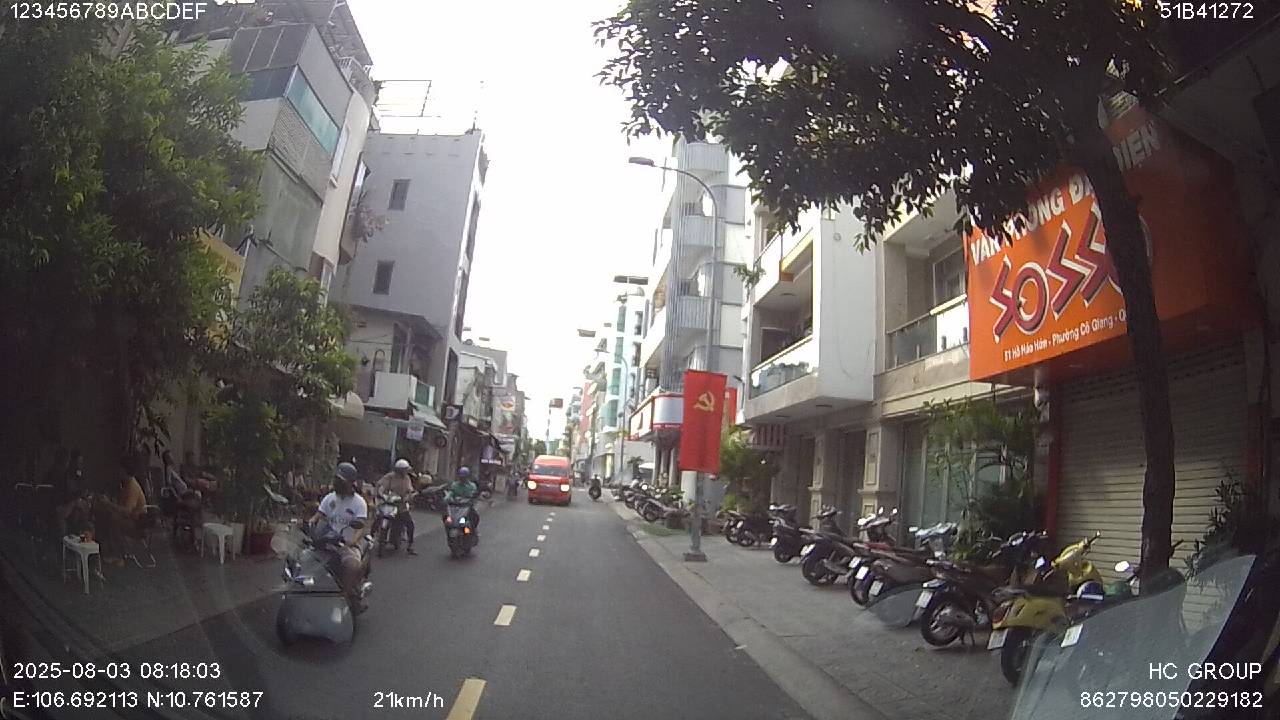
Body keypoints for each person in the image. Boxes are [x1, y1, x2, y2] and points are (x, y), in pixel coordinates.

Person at [310, 462, 369, 611]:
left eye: (341, 480)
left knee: (352, 566)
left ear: (351, 483)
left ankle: (345, 597)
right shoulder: (329, 498)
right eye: (337, 479)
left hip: (346, 544)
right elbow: (319, 515)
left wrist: (352, 541)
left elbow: (361, 526)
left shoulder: (359, 502)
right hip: (326, 541)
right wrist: (309, 523)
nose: (337, 483)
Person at [93, 456, 148, 566]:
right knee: (104, 515)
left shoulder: (132, 487)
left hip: (138, 523)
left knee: (113, 520)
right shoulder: (125, 484)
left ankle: (119, 556)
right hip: (130, 519)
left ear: (125, 471)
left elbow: (127, 512)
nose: (118, 472)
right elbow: (120, 505)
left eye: (120, 470)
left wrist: (109, 503)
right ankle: (103, 548)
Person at [375, 459, 417, 555]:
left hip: (401, 506)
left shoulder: (407, 478)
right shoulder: (389, 476)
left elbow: (410, 491)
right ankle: (371, 537)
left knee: (410, 524)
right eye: (403, 470)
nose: (404, 472)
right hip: (388, 504)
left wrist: (408, 497)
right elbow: (380, 485)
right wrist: (380, 493)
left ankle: (410, 545)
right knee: (378, 519)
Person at [445, 466, 480, 537]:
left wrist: (472, 496)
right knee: (446, 517)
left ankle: (473, 530)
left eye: (464, 477)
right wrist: (447, 498)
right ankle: (448, 531)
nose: (462, 479)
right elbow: (451, 493)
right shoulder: (455, 485)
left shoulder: (472, 486)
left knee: (475, 516)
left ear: (467, 477)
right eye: (461, 477)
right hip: (455, 507)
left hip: (467, 507)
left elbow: (474, 494)